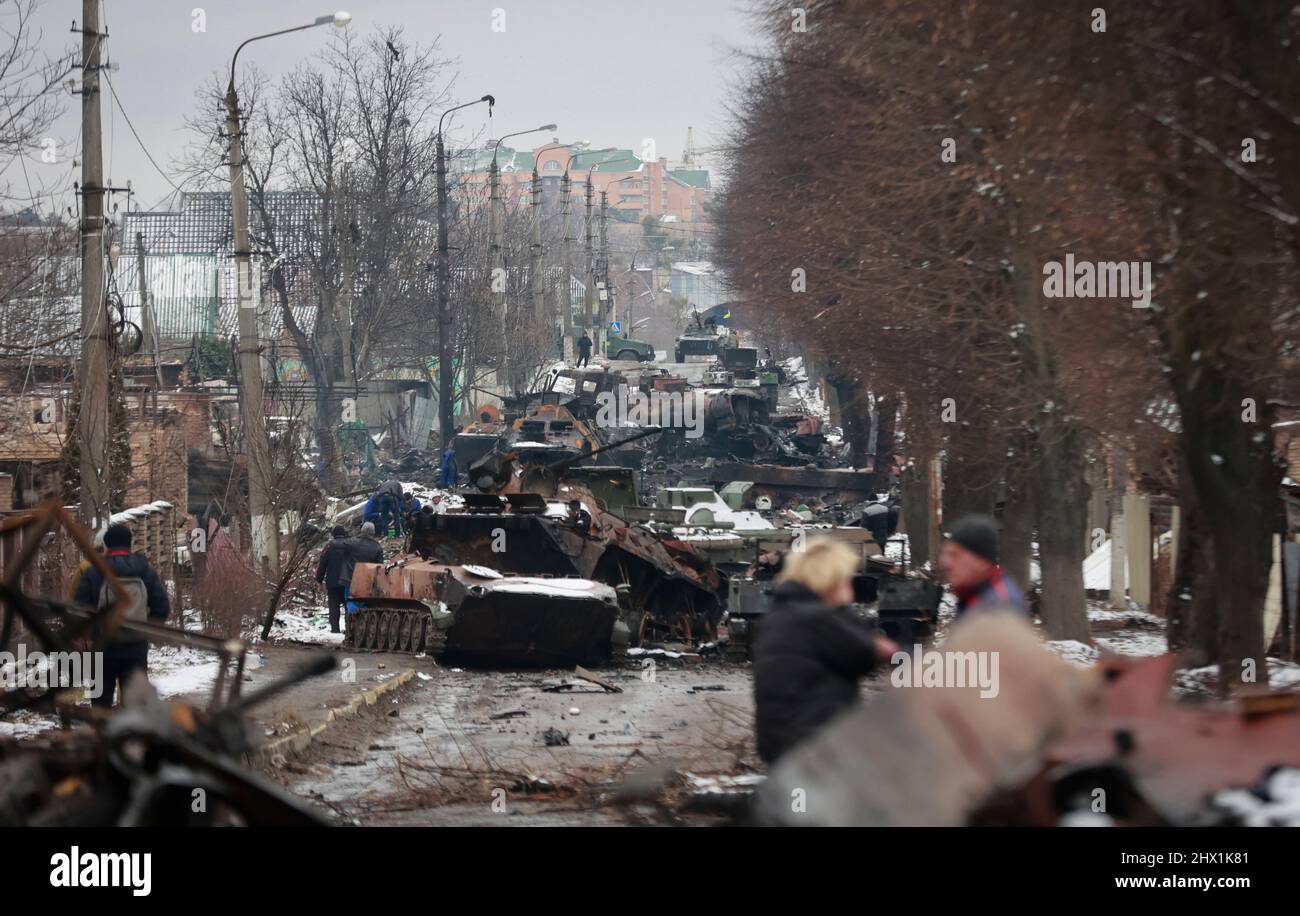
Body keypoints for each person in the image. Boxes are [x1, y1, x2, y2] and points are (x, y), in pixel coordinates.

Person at [752, 537, 898, 764]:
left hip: (782, 742)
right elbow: (864, 655)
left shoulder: (780, 615)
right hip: (815, 744)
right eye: (847, 580)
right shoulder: (818, 618)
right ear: (831, 580)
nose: (851, 587)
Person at [74, 523, 170, 709]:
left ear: (107, 544)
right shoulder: (144, 571)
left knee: (100, 706)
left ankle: (101, 736)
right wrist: (145, 629)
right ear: (129, 543)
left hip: (102, 649)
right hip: (135, 649)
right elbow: (162, 607)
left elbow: (79, 610)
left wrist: (92, 634)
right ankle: (130, 736)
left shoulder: (95, 571)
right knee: (134, 708)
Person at [939, 514, 1027, 616]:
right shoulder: (974, 596)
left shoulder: (1000, 605)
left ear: (980, 560)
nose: (945, 563)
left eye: (955, 555)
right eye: (945, 554)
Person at [315, 526, 353, 633]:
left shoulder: (328, 547)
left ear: (333, 534)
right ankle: (349, 629)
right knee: (348, 606)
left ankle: (335, 629)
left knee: (334, 606)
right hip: (347, 581)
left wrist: (319, 579)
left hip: (332, 581)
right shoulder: (350, 545)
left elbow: (322, 565)